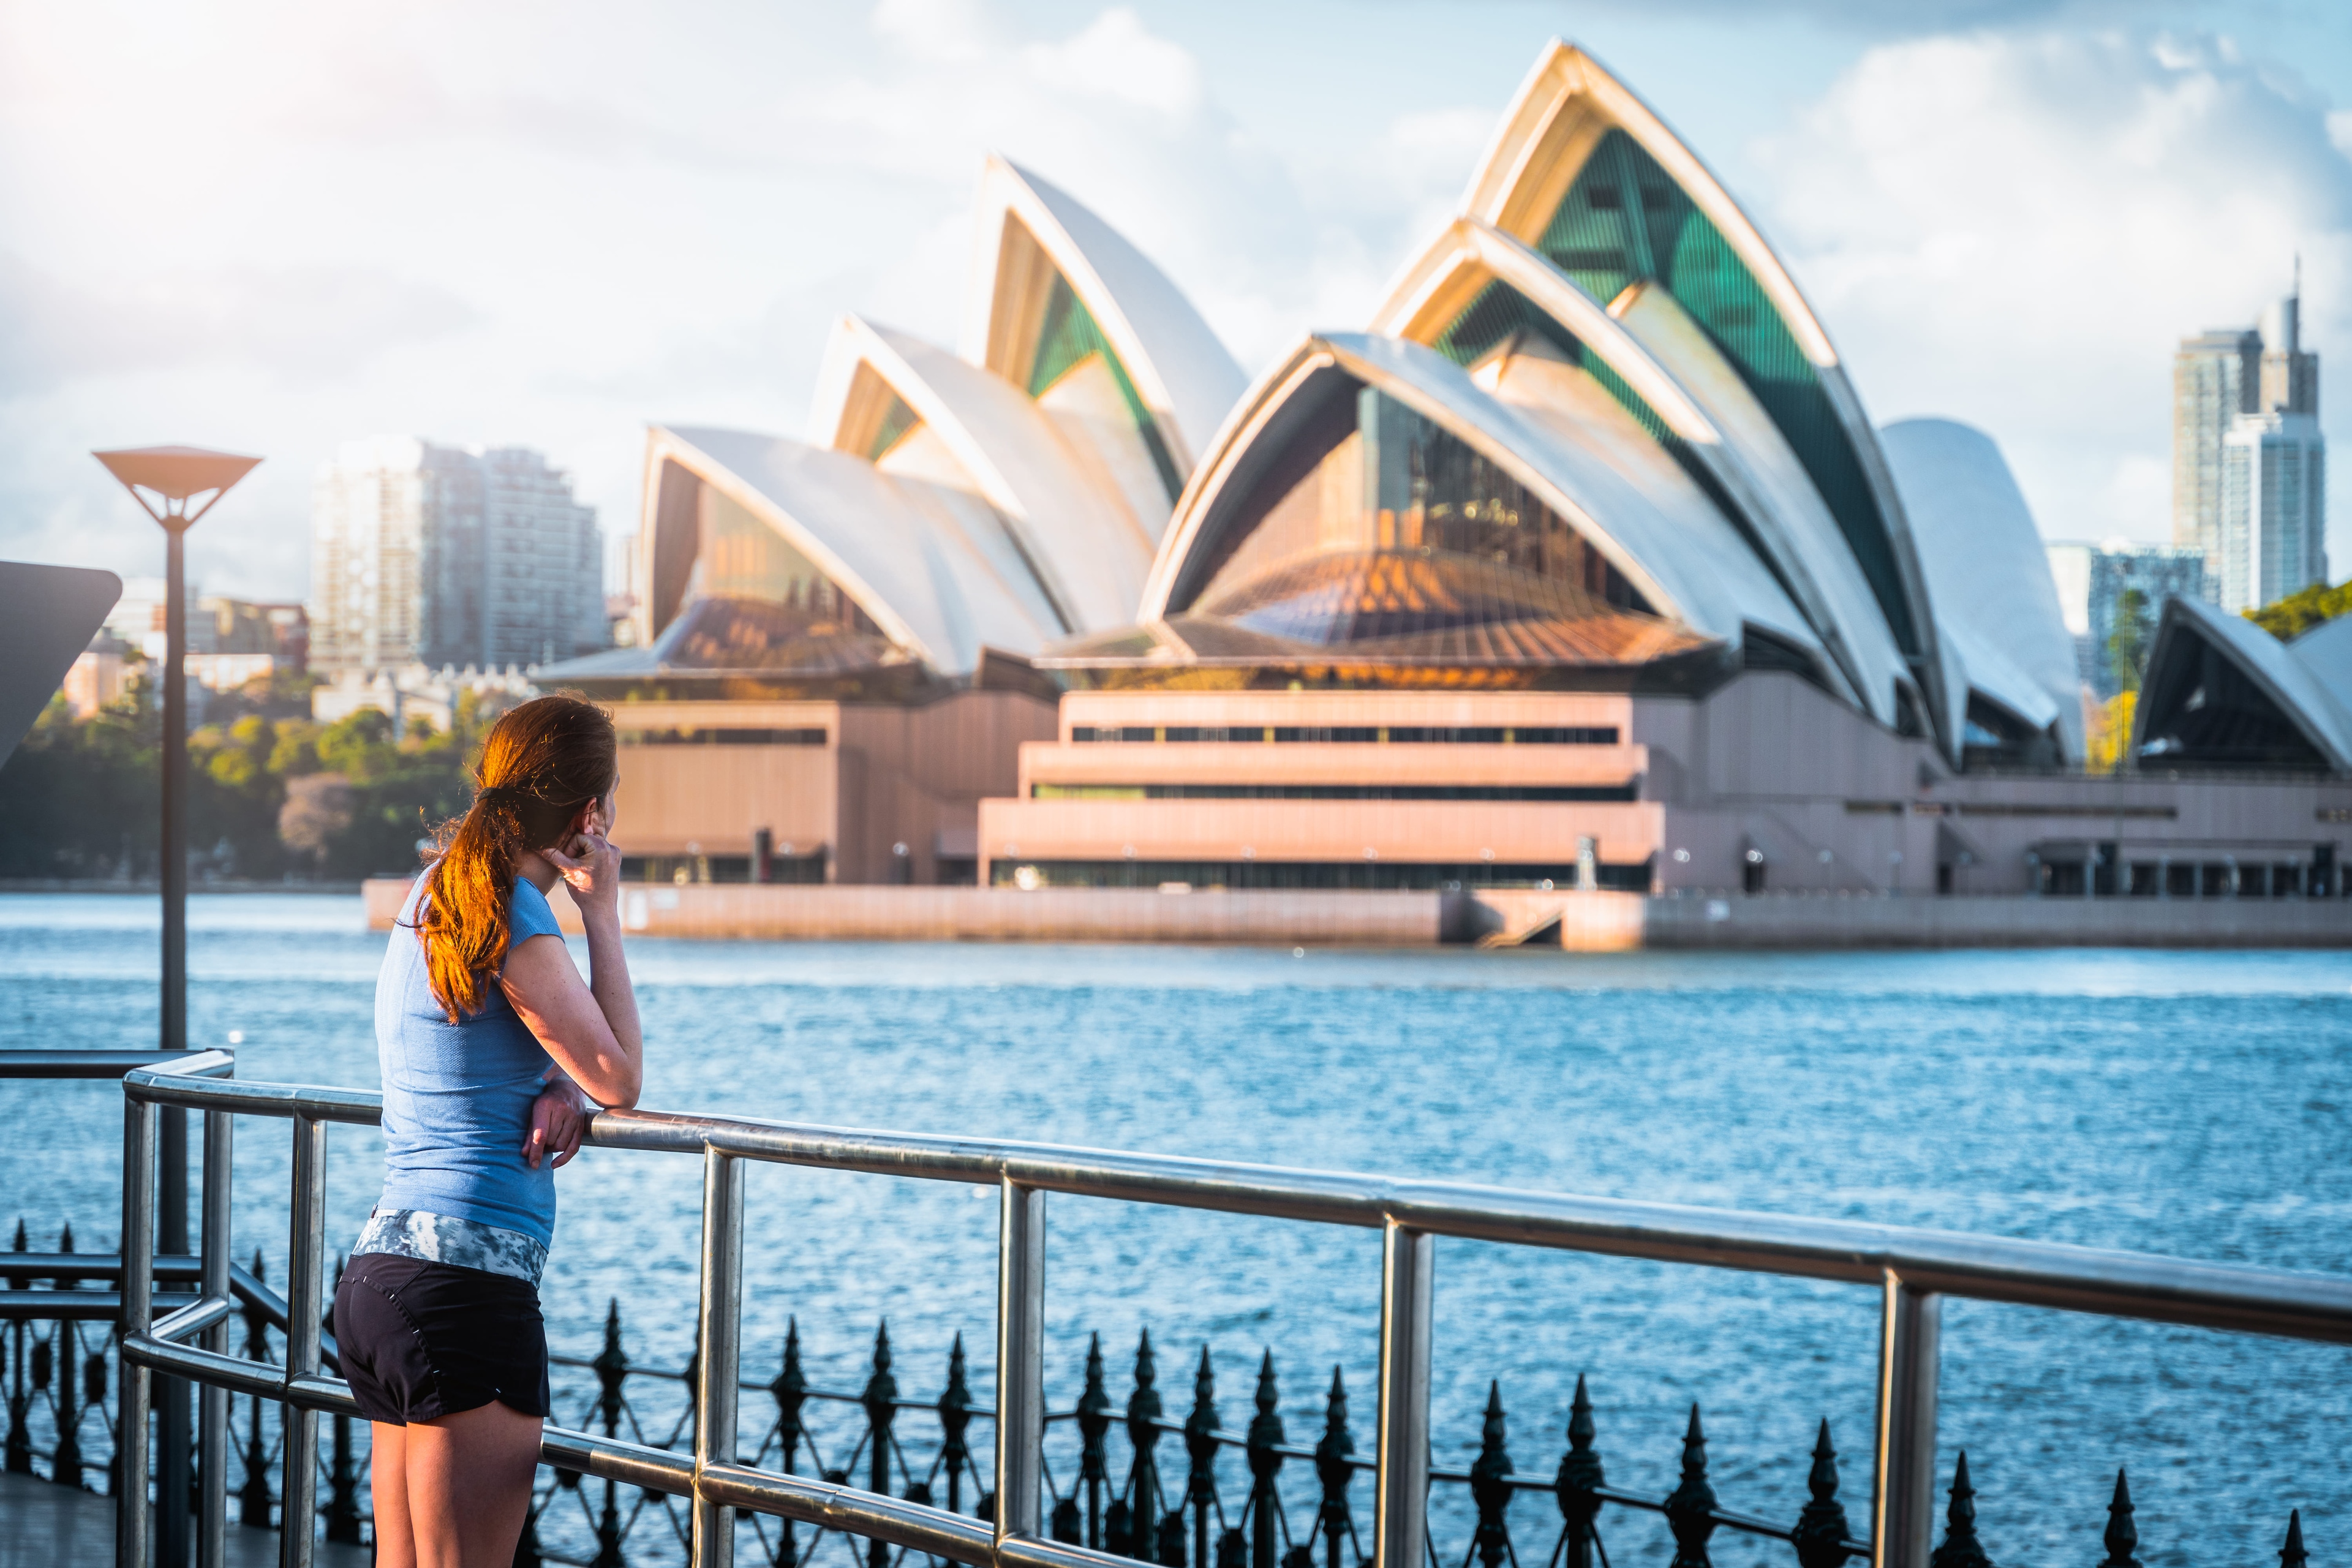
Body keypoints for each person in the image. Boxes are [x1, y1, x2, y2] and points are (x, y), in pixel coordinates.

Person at [333, 694, 643, 1568]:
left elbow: (488, 1030)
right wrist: (605, 911)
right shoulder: (514, 908)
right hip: (469, 1290)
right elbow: (618, 1078)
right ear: (591, 814)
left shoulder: (439, 893)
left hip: (383, 1278)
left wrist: (553, 1076)